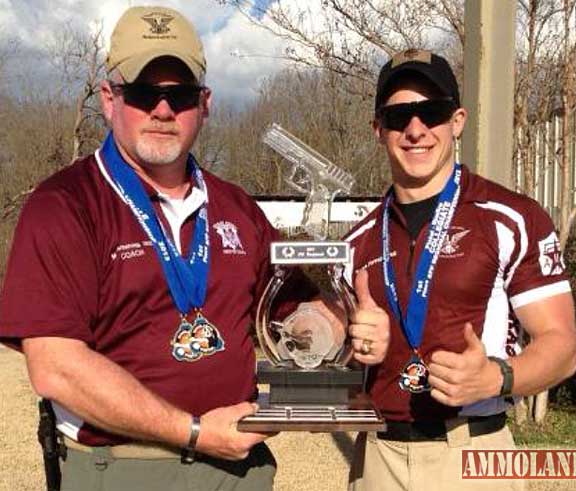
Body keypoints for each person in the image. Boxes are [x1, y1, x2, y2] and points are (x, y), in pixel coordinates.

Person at [0, 6, 389, 491]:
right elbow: (56, 367)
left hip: (237, 467)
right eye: (144, 93)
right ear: (109, 98)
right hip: (122, 467)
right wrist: (196, 433)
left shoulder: (237, 207)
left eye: (179, 96)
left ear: (204, 104)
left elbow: (293, 315)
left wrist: (343, 320)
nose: (163, 111)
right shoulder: (64, 204)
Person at [345, 49, 576, 491]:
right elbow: (332, 362)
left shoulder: (511, 216)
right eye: (399, 117)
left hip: (474, 453)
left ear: (457, 120)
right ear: (378, 130)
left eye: (431, 112)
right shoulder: (357, 240)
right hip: (377, 455)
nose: (415, 130)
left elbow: (563, 347)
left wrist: (497, 376)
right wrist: (348, 344)